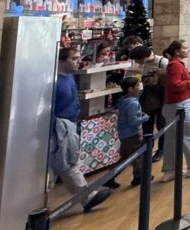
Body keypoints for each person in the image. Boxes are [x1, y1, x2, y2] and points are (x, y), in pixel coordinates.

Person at [50, 48, 113, 213]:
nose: (79, 61)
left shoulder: (69, 77)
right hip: (58, 128)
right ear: (62, 60)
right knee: (66, 165)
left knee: (67, 164)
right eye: (74, 58)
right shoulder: (54, 82)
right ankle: (87, 197)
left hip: (69, 125)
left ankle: (87, 197)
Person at [160, 39, 190, 182]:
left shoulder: (174, 64)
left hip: (173, 104)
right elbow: (174, 84)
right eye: (186, 48)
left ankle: (170, 170)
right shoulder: (175, 65)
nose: (188, 50)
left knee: (172, 138)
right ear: (177, 51)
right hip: (179, 104)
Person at [127, 44, 168, 162]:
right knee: (147, 126)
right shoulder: (146, 64)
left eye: (137, 59)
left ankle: (161, 150)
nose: (136, 62)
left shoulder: (163, 62)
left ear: (143, 57)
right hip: (148, 99)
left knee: (161, 125)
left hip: (161, 98)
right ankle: (147, 150)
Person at [115, 76, 149, 187]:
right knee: (138, 157)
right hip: (131, 134)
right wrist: (145, 118)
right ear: (130, 89)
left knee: (125, 158)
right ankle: (140, 177)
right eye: (138, 86)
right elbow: (133, 121)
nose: (140, 88)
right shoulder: (132, 103)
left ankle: (110, 177)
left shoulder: (123, 101)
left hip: (124, 134)